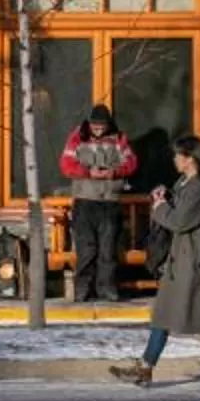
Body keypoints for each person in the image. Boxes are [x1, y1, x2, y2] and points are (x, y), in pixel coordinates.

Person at [110, 134, 200, 388]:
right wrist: (165, 196)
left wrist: (161, 207)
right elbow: (178, 209)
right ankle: (146, 367)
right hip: (181, 260)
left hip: (192, 263)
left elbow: (179, 221)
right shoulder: (186, 182)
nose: (174, 159)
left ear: (189, 159)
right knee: (167, 315)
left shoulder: (197, 188)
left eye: (178, 155)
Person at [60, 103, 137, 303]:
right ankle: (83, 290)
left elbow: (131, 163)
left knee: (108, 249)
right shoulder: (77, 137)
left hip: (110, 201)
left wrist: (115, 172)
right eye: (95, 126)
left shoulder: (119, 138)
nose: (99, 130)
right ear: (89, 123)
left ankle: (107, 290)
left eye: (102, 126)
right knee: (86, 249)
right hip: (85, 201)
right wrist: (87, 172)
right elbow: (66, 166)